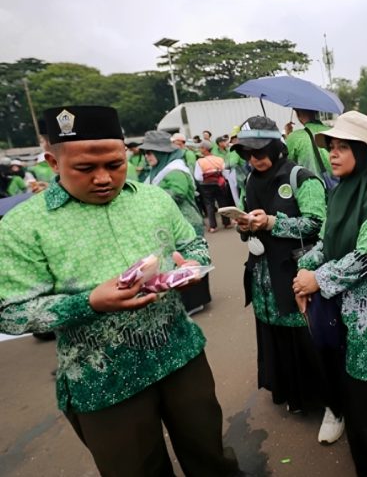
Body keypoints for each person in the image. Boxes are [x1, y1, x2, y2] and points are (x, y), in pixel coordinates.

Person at [0, 105, 239, 477]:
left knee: (209, 453)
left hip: (179, 354)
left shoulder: (152, 199)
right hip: (103, 378)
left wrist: (192, 266)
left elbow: (192, 243)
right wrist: (88, 303)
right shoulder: (24, 227)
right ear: (52, 161)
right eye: (85, 168)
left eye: (114, 165)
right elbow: (10, 312)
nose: (103, 178)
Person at [292, 111, 367, 477]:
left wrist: (317, 280)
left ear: (364, 152)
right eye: (331, 146)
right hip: (349, 314)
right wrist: (305, 270)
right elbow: (328, 241)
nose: (333, 154)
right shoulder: (343, 190)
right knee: (359, 400)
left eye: (343, 147)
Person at [231, 115, 344, 444]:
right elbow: (246, 214)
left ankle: (333, 407)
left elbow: (316, 223)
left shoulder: (301, 178)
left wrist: (272, 223)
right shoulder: (251, 179)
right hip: (264, 279)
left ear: (277, 145)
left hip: (296, 277)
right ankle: (295, 395)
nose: (254, 158)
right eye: (247, 153)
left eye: (261, 150)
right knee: (277, 340)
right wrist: (243, 225)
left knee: (310, 343)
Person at [142, 130, 211, 315]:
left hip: (187, 223)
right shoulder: (158, 170)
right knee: (177, 261)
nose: (146, 156)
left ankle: (196, 301)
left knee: (190, 259)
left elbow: (177, 193)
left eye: (150, 152)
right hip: (172, 224)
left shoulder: (176, 170)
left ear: (161, 152)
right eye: (145, 152)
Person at [285, 108, 334, 179]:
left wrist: (288, 136)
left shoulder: (294, 137)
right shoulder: (332, 132)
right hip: (336, 186)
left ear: (298, 114)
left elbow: (288, 165)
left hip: (310, 186)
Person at [195, 140, 232, 233]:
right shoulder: (219, 159)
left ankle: (213, 226)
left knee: (209, 205)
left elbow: (198, 176)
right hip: (219, 183)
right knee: (223, 203)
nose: (200, 149)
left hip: (206, 185)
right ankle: (227, 223)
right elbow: (225, 172)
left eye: (201, 148)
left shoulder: (200, 161)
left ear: (205, 149)